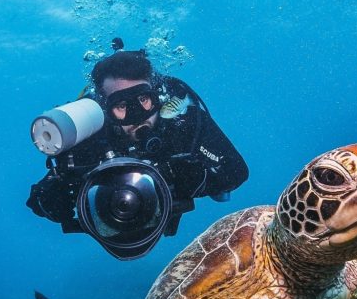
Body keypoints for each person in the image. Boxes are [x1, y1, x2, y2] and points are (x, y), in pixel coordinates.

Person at [26, 48, 248, 246]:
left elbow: (237, 171)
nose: (137, 116)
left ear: (156, 96)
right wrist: (52, 198)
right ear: (104, 108)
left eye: (143, 100)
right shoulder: (94, 135)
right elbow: (42, 197)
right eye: (121, 105)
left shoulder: (182, 122)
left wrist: (198, 181)